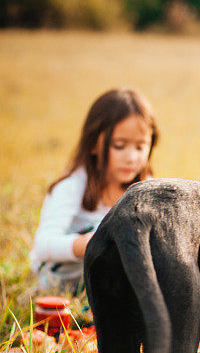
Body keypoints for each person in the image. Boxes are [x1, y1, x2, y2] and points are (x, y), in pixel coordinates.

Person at [30, 88, 159, 292]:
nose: (131, 157)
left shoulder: (147, 190)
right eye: (119, 145)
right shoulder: (71, 187)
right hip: (63, 280)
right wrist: (94, 242)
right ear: (92, 145)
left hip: (116, 282)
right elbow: (43, 246)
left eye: (140, 147)